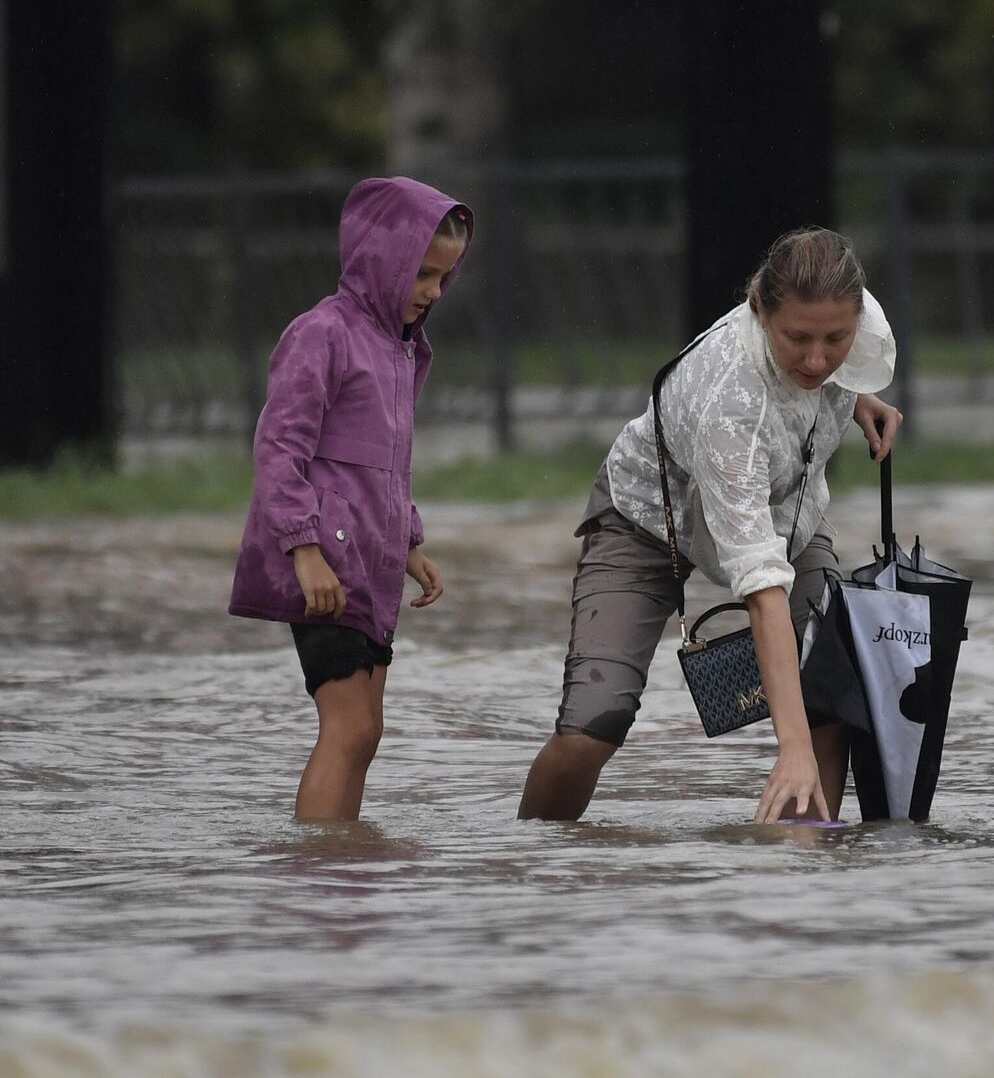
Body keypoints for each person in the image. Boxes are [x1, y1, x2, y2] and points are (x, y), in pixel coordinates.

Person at [516, 226, 902, 825]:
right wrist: (788, 749)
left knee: (831, 703)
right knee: (595, 724)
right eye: (797, 339)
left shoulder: (848, 322)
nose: (819, 359)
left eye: (837, 340)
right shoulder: (728, 399)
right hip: (647, 523)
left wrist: (855, 399)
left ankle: (804, 876)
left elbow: (829, 364)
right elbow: (763, 591)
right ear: (759, 309)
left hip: (784, 512)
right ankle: (531, 859)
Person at [228, 177, 473, 822]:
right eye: (422, 273)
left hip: (371, 568)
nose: (432, 292)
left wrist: (409, 543)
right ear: (380, 258)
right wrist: (304, 550)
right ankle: (318, 862)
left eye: (444, 279)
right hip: (322, 567)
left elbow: (384, 466)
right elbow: (279, 450)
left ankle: (345, 861)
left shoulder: (404, 350)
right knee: (346, 727)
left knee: (366, 731)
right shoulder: (322, 334)